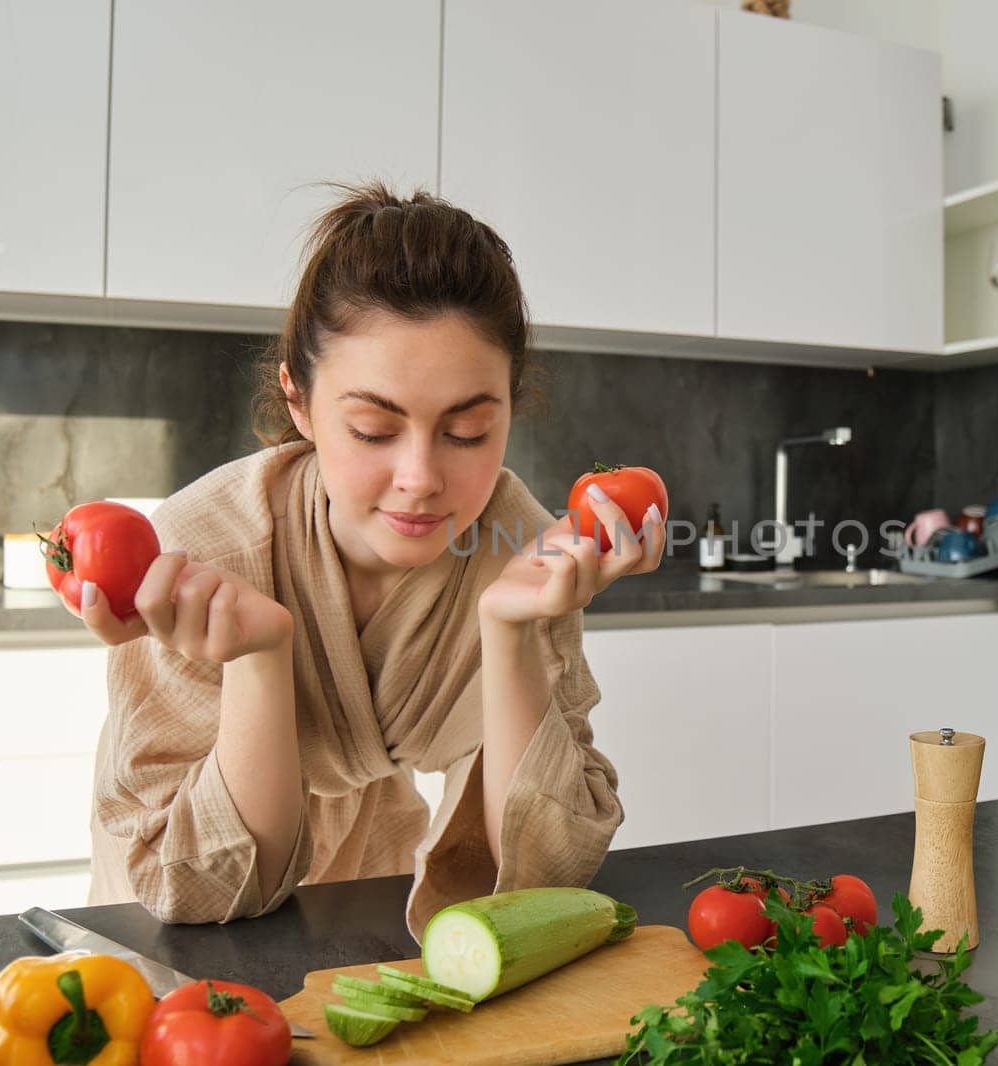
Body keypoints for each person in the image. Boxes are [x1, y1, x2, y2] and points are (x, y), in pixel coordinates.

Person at [74, 183, 664, 941]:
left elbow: (547, 871)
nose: (420, 479)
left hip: (368, 876)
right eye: (373, 429)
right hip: (174, 930)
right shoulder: (203, 551)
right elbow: (194, 883)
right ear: (298, 401)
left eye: (469, 432)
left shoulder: (523, 548)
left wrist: (509, 634)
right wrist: (261, 658)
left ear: (510, 410)